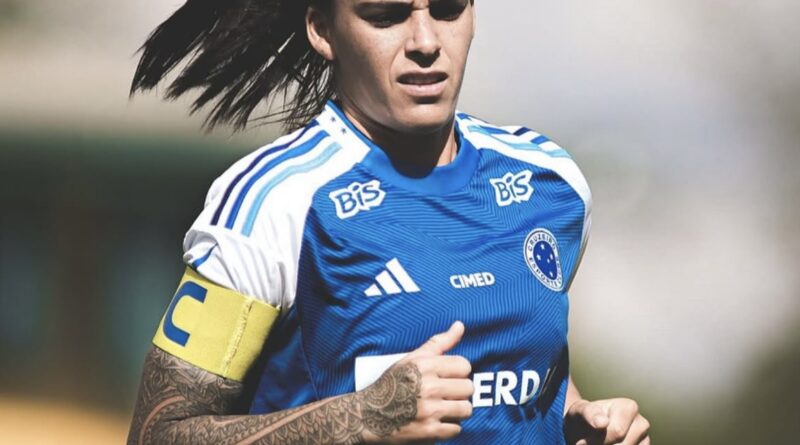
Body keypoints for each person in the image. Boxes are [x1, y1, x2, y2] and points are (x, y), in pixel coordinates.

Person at [127, 0, 651, 443]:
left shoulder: (551, 185)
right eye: (386, 15)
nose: (426, 41)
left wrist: (576, 418)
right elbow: (160, 433)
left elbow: (527, 372)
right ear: (323, 30)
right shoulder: (274, 202)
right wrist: (363, 418)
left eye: (447, 9)